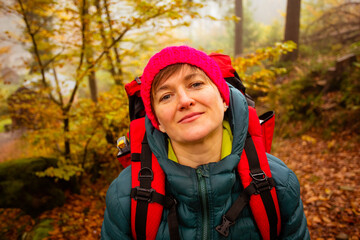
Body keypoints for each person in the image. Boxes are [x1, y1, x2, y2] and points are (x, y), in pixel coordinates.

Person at [101, 46, 310, 239]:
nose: (184, 100)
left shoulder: (280, 182)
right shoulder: (124, 197)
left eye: (196, 84)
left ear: (223, 99)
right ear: (158, 122)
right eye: (166, 96)